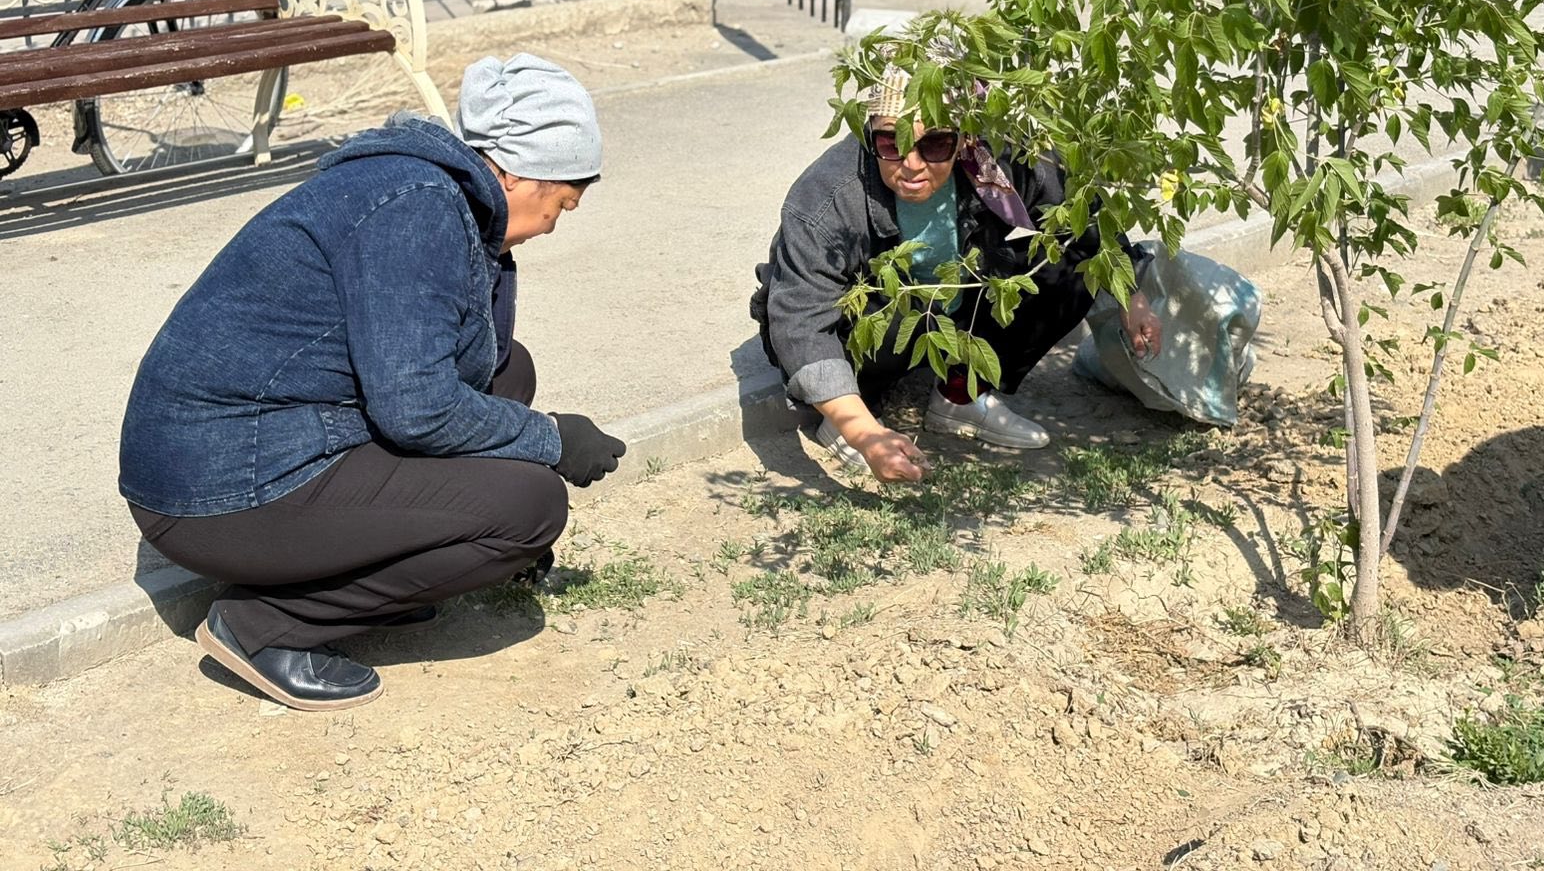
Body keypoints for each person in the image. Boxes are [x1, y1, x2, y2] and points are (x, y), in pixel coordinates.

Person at [118, 54, 627, 711]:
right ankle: (267, 627)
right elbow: (419, 409)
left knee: (509, 370)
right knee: (530, 507)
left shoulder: (432, 192)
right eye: (561, 204)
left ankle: (381, 575)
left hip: (252, 445)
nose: (555, 225)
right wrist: (552, 439)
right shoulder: (417, 209)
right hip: (217, 490)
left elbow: (470, 363)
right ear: (518, 174)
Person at [751, 72, 1162, 483]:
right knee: (890, 311)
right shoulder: (829, 194)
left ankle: (959, 396)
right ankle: (851, 410)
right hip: (863, 325)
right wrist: (864, 434)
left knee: (1071, 260)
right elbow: (801, 320)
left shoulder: (991, 160)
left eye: (934, 144)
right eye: (892, 143)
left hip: (950, 302)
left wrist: (1131, 296)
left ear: (965, 138)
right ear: (870, 133)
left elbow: (1078, 214)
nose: (912, 165)